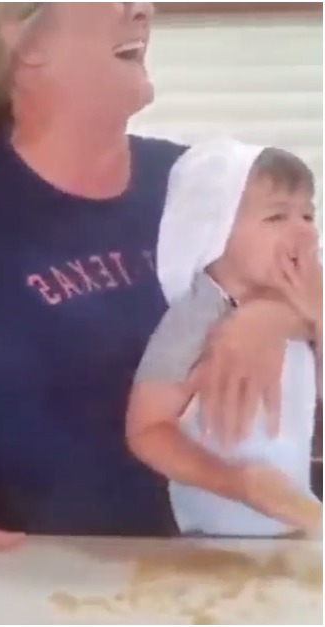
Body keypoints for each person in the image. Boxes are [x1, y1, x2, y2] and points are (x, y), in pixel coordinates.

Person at [0, 2, 314, 598]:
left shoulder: (191, 181)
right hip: (19, 578)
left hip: (198, 571)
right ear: (25, 42)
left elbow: (305, 272)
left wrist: (273, 313)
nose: (142, 7)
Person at [127, 140, 323, 537]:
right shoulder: (195, 319)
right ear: (213, 232)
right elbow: (147, 430)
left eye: (307, 213)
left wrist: (316, 315)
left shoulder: (304, 302)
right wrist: (239, 482)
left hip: (295, 530)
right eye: (276, 217)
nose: (303, 229)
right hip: (212, 541)